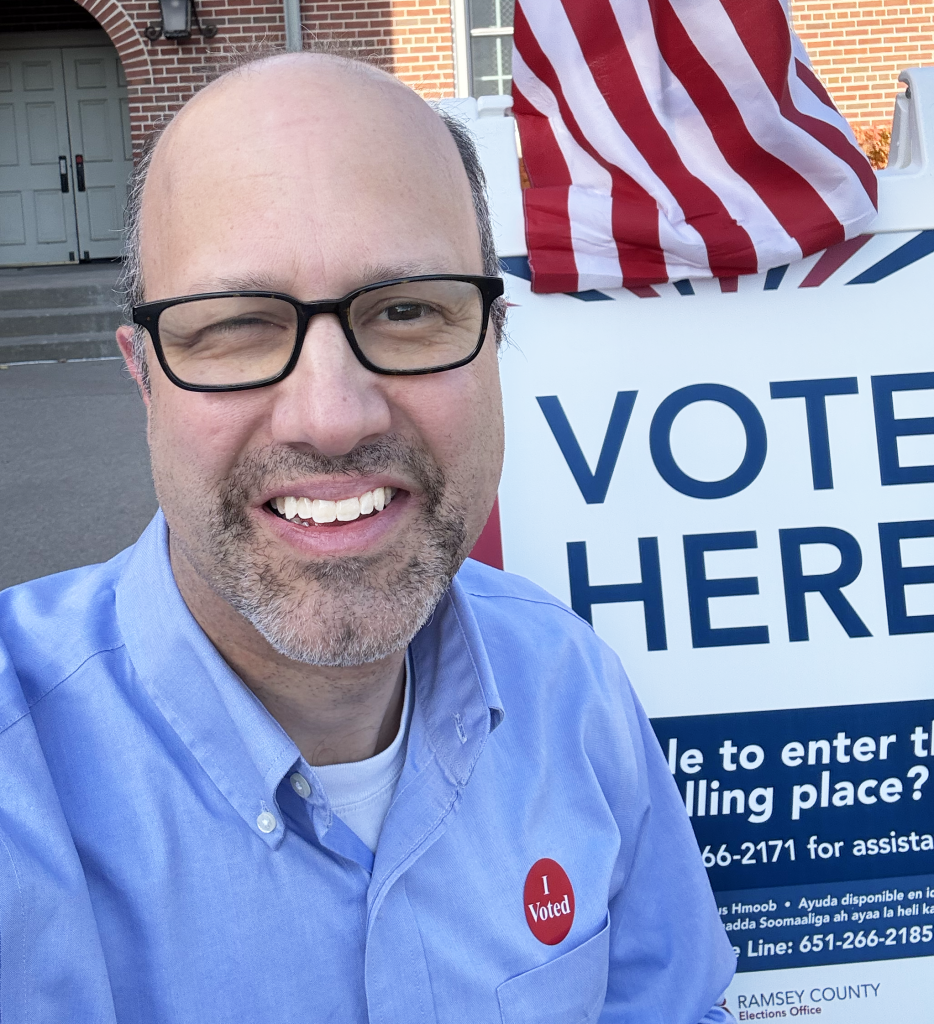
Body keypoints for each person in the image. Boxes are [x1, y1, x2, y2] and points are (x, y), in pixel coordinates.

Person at [0, 51, 735, 1022]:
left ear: (491, 340)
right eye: (238, 326)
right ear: (146, 378)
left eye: (405, 311)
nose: (333, 415)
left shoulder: (569, 683)